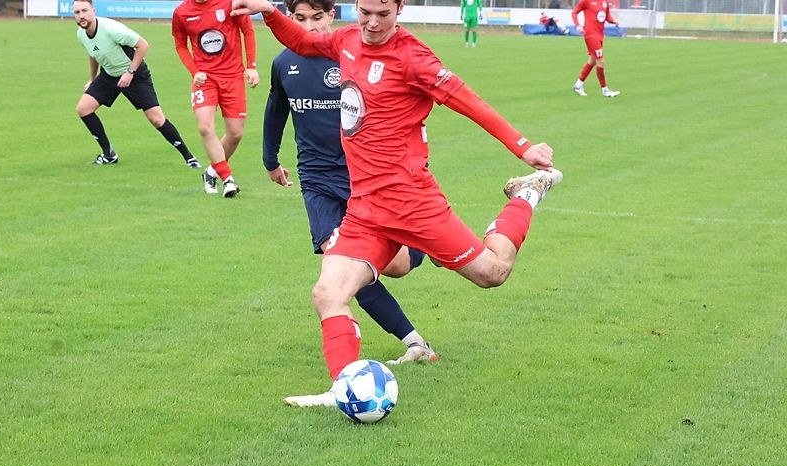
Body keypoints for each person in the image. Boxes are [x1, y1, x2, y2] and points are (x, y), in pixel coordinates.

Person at [231, 0, 562, 407]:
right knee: (328, 292)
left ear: (399, 9)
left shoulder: (413, 57)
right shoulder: (347, 39)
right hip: (365, 208)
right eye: (365, 11)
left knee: (493, 273)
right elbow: (301, 40)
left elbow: (468, 102)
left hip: (413, 202)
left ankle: (525, 196)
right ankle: (344, 391)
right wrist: (268, 10)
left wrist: (523, 146)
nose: (371, 23)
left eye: (382, 14)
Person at [263, 0, 437, 378]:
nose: (309, 26)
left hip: (367, 176)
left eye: (317, 17)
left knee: (397, 267)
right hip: (316, 180)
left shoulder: (350, 55)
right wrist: (270, 159)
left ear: (332, 16)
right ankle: (414, 344)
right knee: (341, 266)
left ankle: (425, 244)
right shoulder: (283, 63)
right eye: (300, 18)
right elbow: (277, 108)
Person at [72, 0, 200, 168]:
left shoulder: (111, 29)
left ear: (93, 11)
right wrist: (92, 79)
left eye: (84, 10)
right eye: (77, 12)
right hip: (110, 74)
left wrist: (130, 72)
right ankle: (109, 154)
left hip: (135, 73)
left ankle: (189, 157)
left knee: (156, 118)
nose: (81, 16)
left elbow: (143, 45)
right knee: (83, 109)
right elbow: (93, 53)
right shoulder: (81, 34)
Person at [172, 0, 260, 198]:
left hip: (233, 77)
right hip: (204, 79)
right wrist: (194, 71)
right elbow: (180, 45)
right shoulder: (181, 12)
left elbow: (248, 31)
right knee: (205, 127)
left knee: (235, 133)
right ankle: (228, 179)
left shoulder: (230, 4)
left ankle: (211, 172)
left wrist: (251, 65)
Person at [571, 0, 620, 97]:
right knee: (601, 61)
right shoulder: (586, 1)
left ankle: (578, 85)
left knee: (592, 61)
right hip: (591, 35)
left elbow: (607, 17)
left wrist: (613, 21)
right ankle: (605, 90)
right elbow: (574, 12)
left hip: (600, 35)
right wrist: (577, 25)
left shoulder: (605, 2)